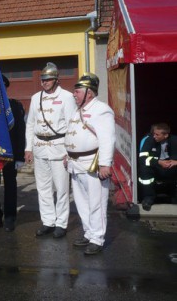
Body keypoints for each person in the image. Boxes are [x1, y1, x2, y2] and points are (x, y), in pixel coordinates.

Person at [65, 73, 115, 255]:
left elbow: (107, 139)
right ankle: (88, 232)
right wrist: (67, 154)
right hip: (75, 163)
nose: (74, 94)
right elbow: (71, 134)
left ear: (89, 93)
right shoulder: (77, 110)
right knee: (81, 203)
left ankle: (97, 238)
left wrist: (105, 164)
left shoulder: (101, 110)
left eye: (77, 91)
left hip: (92, 164)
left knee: (97, 203)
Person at [24, 63, 76, 238]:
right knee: (43, 188)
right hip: (40, 147)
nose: (45, 82)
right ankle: (48, 221)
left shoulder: (67, 97)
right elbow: (30, 123)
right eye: (43, 79)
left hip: (59, 147)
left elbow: (71, 126)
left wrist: (70, 151)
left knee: (61, 188)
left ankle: (61, 223)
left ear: (56, 80)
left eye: (48, 79)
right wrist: (28, 148)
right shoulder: (35, 98)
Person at [0, 75, 26, 232]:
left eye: (1, 86)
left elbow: (19, 132)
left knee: (10, 185)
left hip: (10, 152)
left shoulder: (14, 106)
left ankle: (10, 217)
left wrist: (19, 156)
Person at [138, 123, 177, 211]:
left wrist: (176, 162)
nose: (154, 136)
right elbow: (142, 158)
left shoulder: (175, 140)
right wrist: (158, 162)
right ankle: (148, 198)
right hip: (157, 167)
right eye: (154, 134)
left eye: (157, 134)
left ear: (166, 135)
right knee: (144, 169)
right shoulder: (149, 140)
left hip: (172, 168)